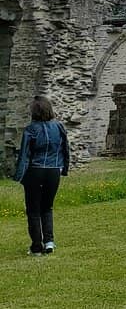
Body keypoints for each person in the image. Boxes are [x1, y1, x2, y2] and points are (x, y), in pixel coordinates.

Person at [14, 96, 70, 255]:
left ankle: (37, 247)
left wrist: (19, 176)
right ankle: (49, 242)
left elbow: (24, 155)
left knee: (33, 210)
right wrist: (64, 168)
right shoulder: (59, 126)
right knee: (47, 207)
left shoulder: (31, 129)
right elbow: (65, 149)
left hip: (35, 170)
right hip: (53, 171)